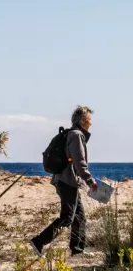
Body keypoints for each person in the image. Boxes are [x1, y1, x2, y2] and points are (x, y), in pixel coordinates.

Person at [30, 105, 98, 258]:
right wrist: (90, 180)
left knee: (79, 217)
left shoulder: (71, 134)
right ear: (82, 120)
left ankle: (77, 250)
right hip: (67, 181)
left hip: (65, 180)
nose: (91, 123)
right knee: (68, 217)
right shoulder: (76, 135)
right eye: (89, 119)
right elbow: (79, 162)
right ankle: (39, 241)